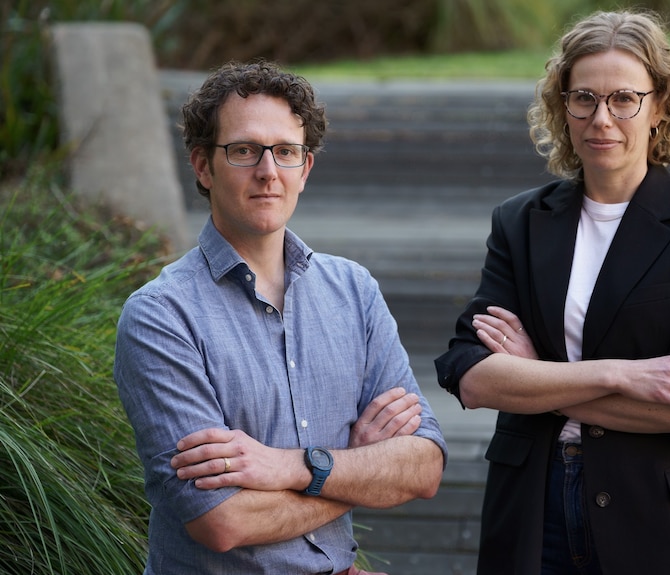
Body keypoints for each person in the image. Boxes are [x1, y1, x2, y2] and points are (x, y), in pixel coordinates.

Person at [435, 9, 670, 575]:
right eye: (583, 97)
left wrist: (535, 374)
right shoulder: (520, 223)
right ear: (562, 106)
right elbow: (472, 374)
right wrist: (621, 375)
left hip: (661, 519)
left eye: (624, 98)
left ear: (658, 107)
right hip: (537, 505)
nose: (601, 118)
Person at [114, 60, 447, 575]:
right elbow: (221, 520)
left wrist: (294, 466)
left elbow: (422, 467)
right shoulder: (161, 317)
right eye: (244, 151)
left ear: (305, 169)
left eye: (286, 152)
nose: (269, 172)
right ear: (203, 166)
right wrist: (352, 464)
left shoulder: (353, 291)